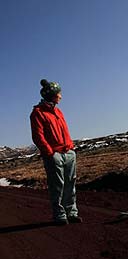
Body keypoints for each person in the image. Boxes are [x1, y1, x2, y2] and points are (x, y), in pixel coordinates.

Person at [30, 79, 82, 225]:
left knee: (70, 184)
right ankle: (59, 216)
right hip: (55, 155)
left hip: (69, 152)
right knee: (57, 186)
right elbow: (38, 136)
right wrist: (50, 153)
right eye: (58, 93)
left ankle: (71, 213)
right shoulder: (37, 113)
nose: (61, 96)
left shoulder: (58, 111)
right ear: (51, 94)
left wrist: (71, 148)